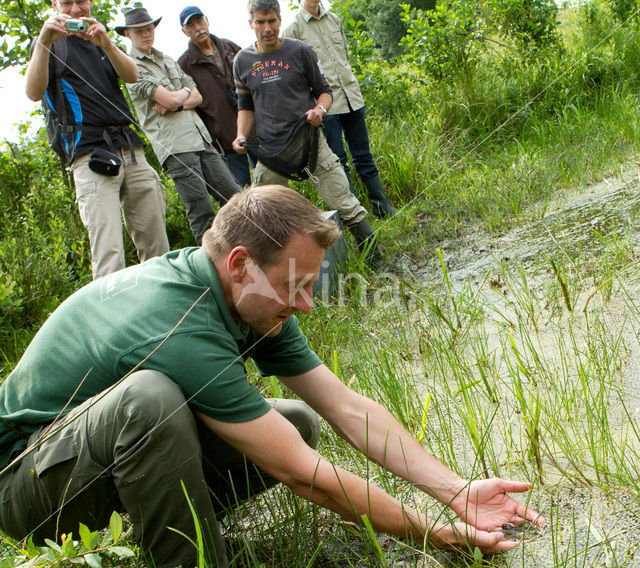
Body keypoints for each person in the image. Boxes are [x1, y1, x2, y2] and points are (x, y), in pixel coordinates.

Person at [0, 185, 543, 568]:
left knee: (297, 420)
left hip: (96, 460)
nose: (306, 304)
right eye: (297, 285)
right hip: (28, 487)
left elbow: (347, 407)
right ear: (241, 264)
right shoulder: (179, 323)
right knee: (152, 400)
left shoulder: (252, 296)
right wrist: (432, 534)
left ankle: (165, 532)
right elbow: (301, 473)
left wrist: (455, 491)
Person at [25, 0, 170, 280]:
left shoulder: (100, 40)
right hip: (89, 156)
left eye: (82, 1)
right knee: (109, 255)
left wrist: (106, 44)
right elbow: (33, 92)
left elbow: (131, 75)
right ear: (55, 4)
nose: (77, 9)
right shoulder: (50, 43)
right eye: (68, 3)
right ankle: (110, 320)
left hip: (130, 150)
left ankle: (161, 314)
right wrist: (44, 40)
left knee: (157, 250)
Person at [232, 0, 381, 262]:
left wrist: (319, 111)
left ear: (279, 20)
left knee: (343, 200)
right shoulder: (242, 61)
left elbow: (324, 92)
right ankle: (274, 269)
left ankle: (374, 257)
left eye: (271, 21)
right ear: (251, 24)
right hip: (271, 151)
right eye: (260, 22)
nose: (267, 28)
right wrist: (241, 135)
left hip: (311, 141)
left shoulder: (300, 51)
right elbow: (245, 105)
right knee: (261, 214)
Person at [118, 7, 241, 246]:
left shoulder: (166, 59)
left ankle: (242, 253)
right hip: (176, 147)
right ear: (127, 35)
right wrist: (181, 96)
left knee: (234, 197)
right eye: (139, 31)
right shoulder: (131, 66)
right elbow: (178, 97)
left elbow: (198, 98)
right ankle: (207, 273)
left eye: (149, 29)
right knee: (201, 210)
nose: (146, 34)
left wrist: (177, 101)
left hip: (200, 138)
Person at [284, 0, 396, 219]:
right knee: (339, 161)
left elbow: (345, 56)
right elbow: (295, 73)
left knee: (364, 155)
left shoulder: (335, 19)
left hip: (352, 97)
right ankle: (356, 213)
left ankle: (382, 205)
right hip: (326, 104)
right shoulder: (293, 27)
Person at [177, 6, 253, 188]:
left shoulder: (230, 47)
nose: (198, 28)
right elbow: (191, 107)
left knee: (270, 188)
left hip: (255, 130)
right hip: (224, 141)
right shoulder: (184, 64)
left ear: (207, 21)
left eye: (200, 21)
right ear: (184, 31)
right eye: (191, 25)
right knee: (241, 193)